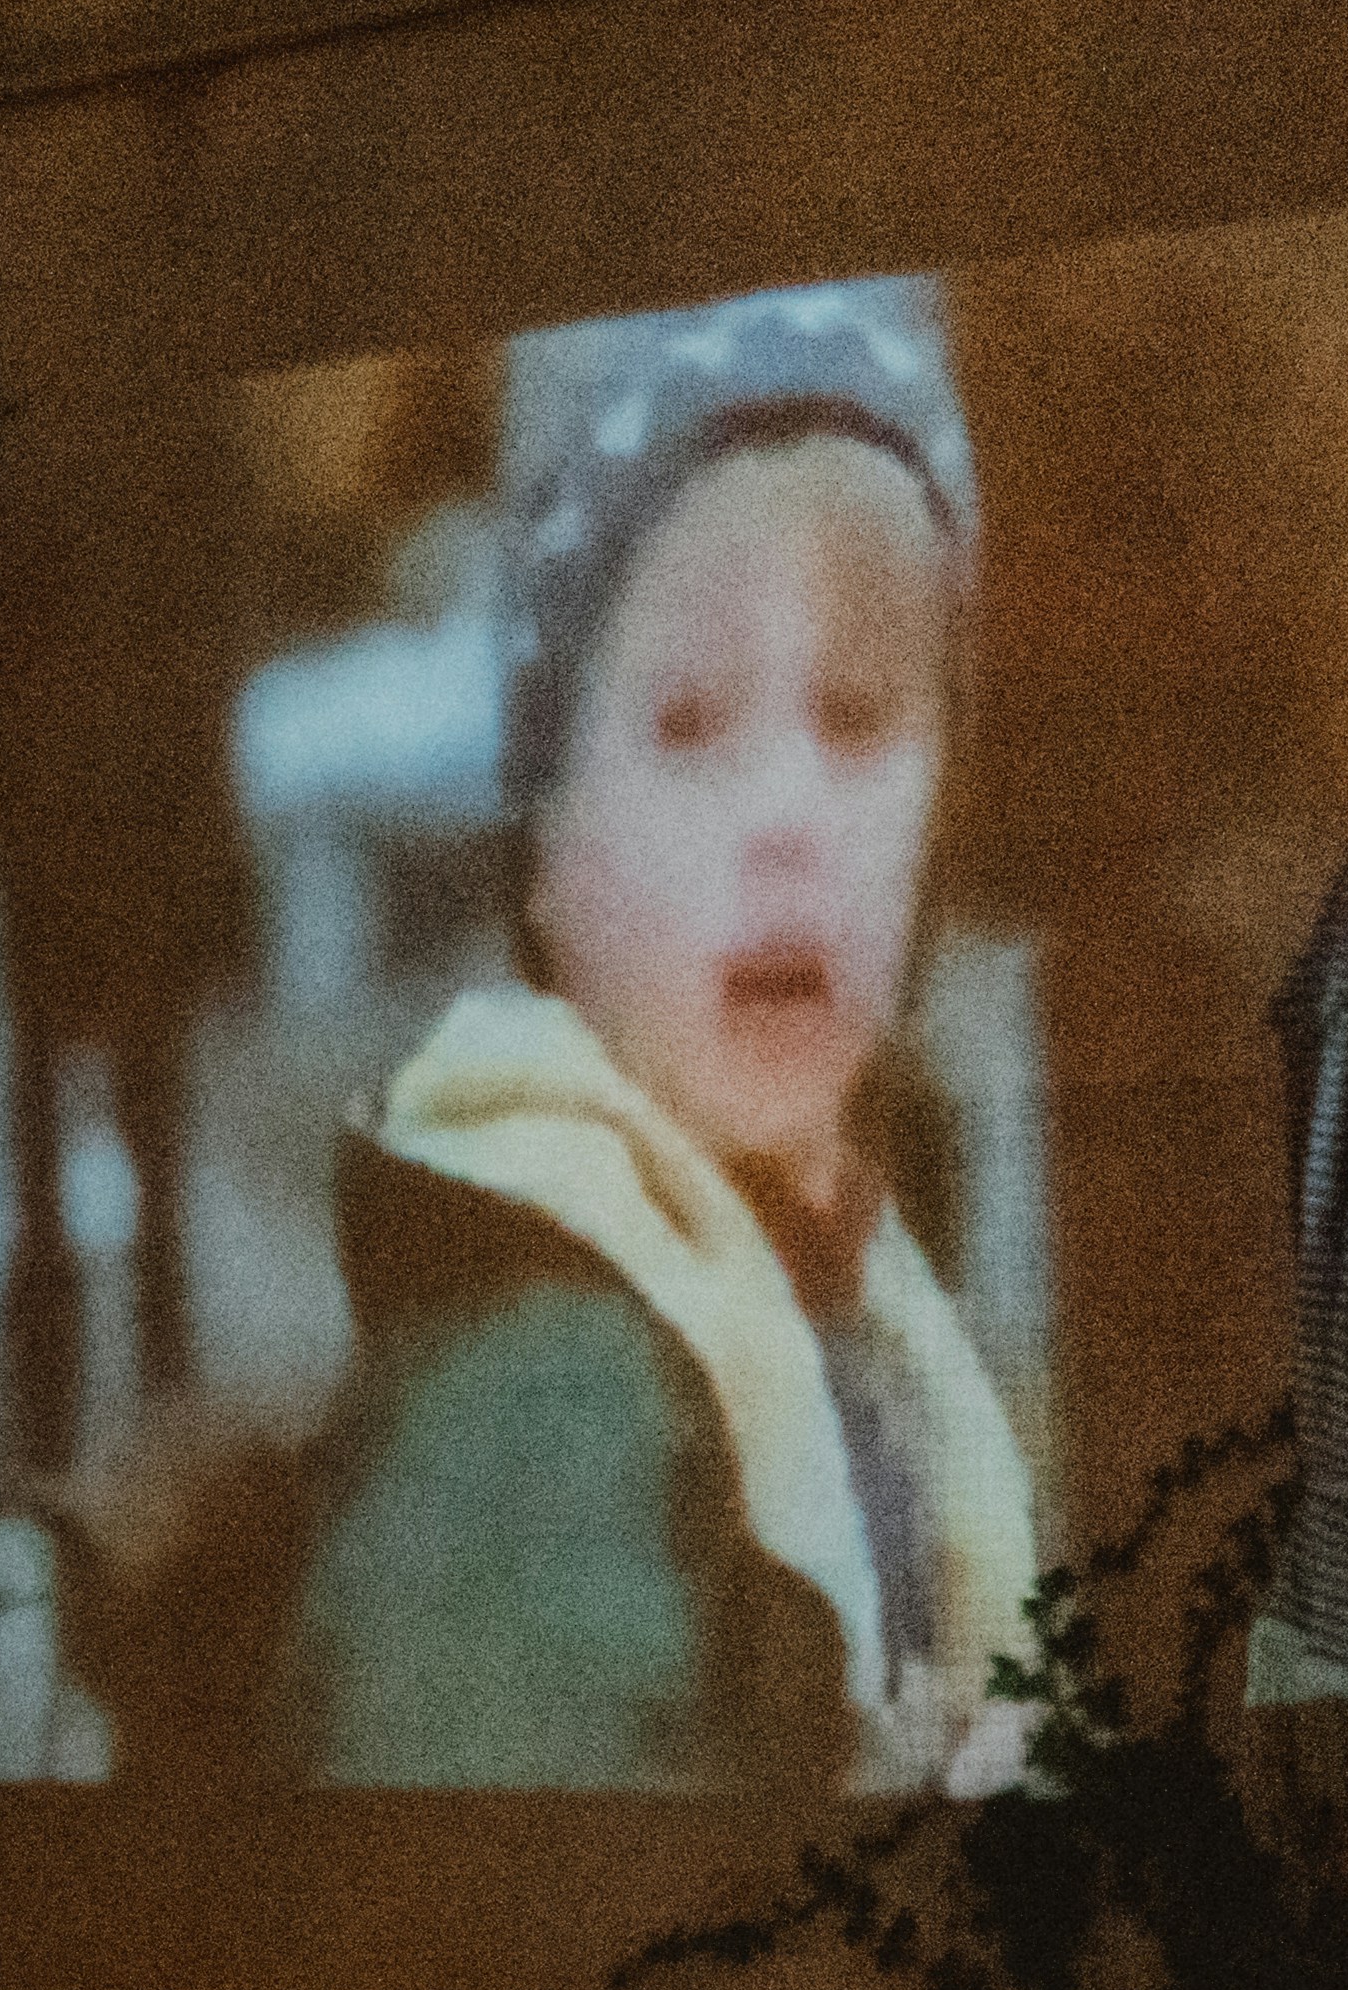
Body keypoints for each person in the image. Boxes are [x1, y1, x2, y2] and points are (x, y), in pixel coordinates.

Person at [284, 276, 1043, 1796]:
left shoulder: (872, 1269)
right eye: (689, 723)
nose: (788, 819)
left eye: (859, 717)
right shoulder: (536, 1407)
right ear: (546, 856)